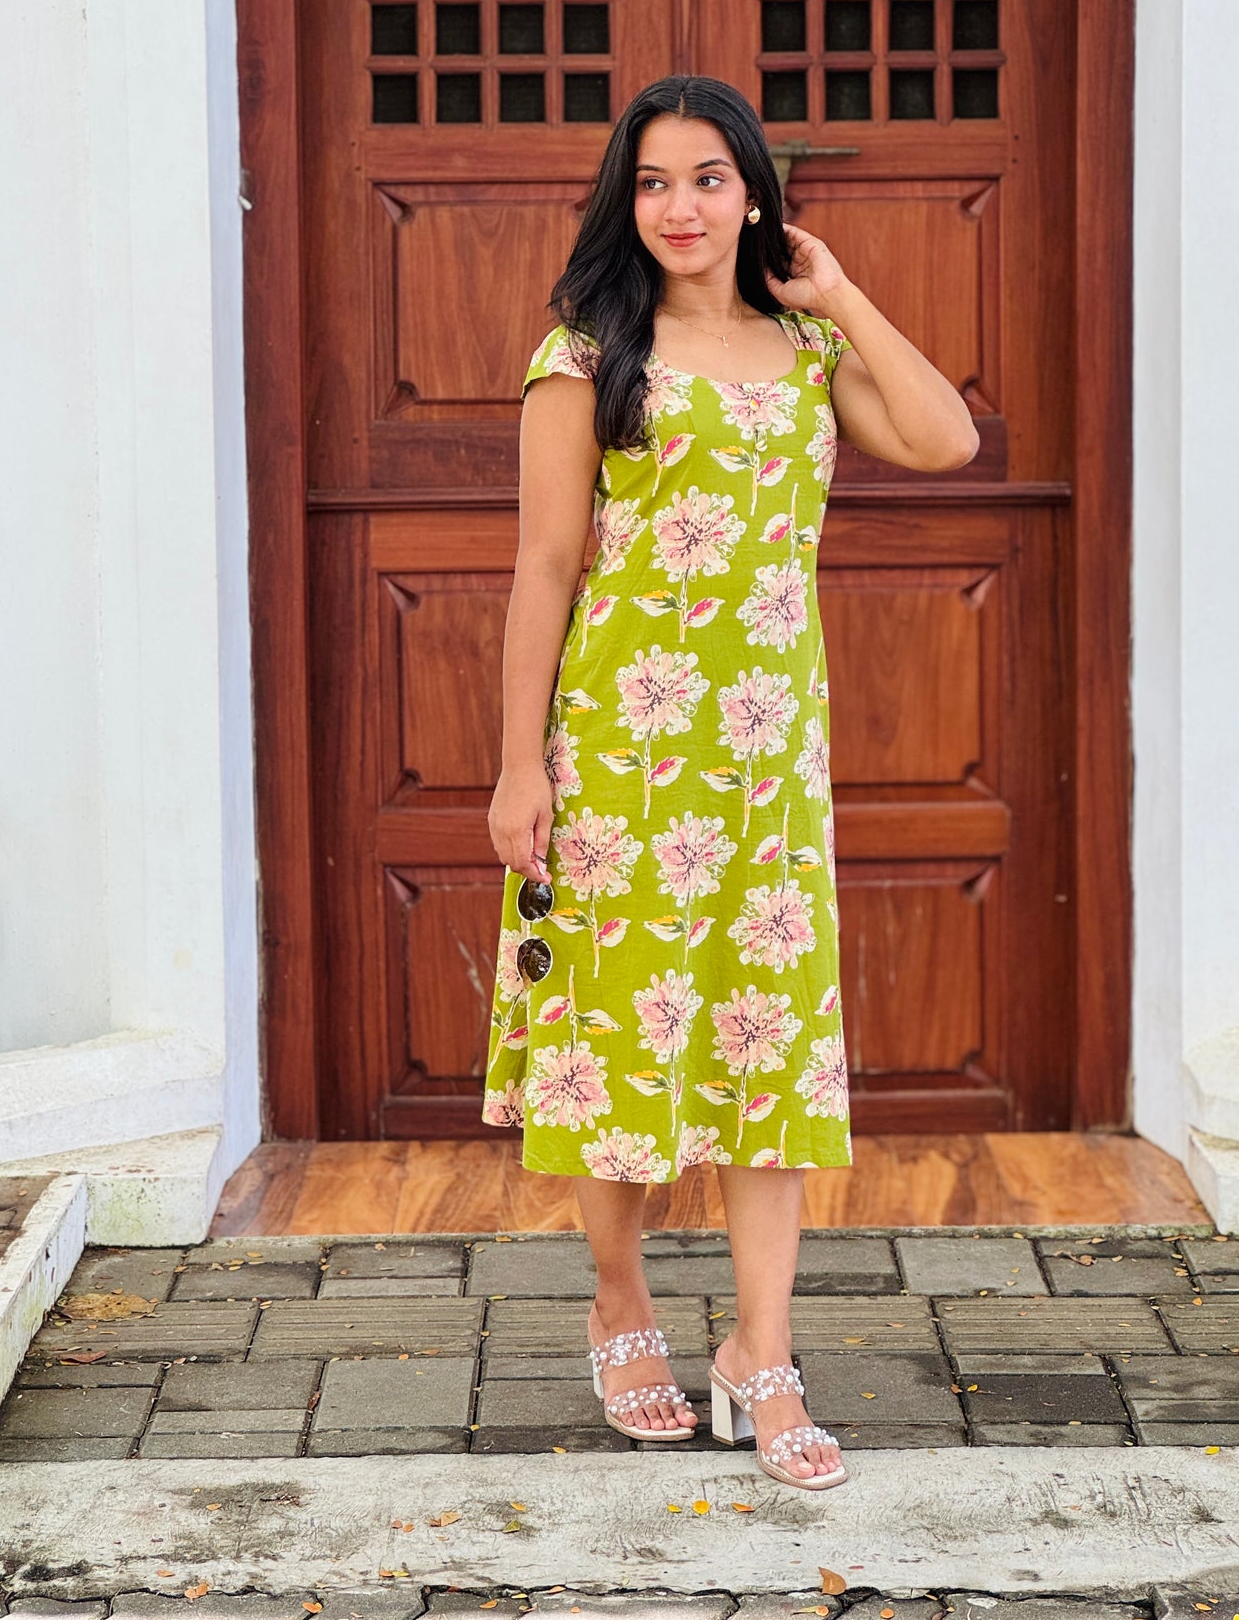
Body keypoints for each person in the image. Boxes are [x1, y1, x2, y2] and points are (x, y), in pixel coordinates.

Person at [484, 74, 978, 1490]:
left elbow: (945, 440)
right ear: (620, 201)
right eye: (651, 182)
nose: (679, 207)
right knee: (622, 1051)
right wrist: (522, 764)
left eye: (706, 178)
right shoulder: (584, 355)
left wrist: (844, 290)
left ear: (752, 191)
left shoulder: (810, 346)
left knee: (768, 1054)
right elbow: (541, 568)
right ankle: (621, 1299)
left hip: (765, 768)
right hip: (624, 756)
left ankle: (760, 1352)